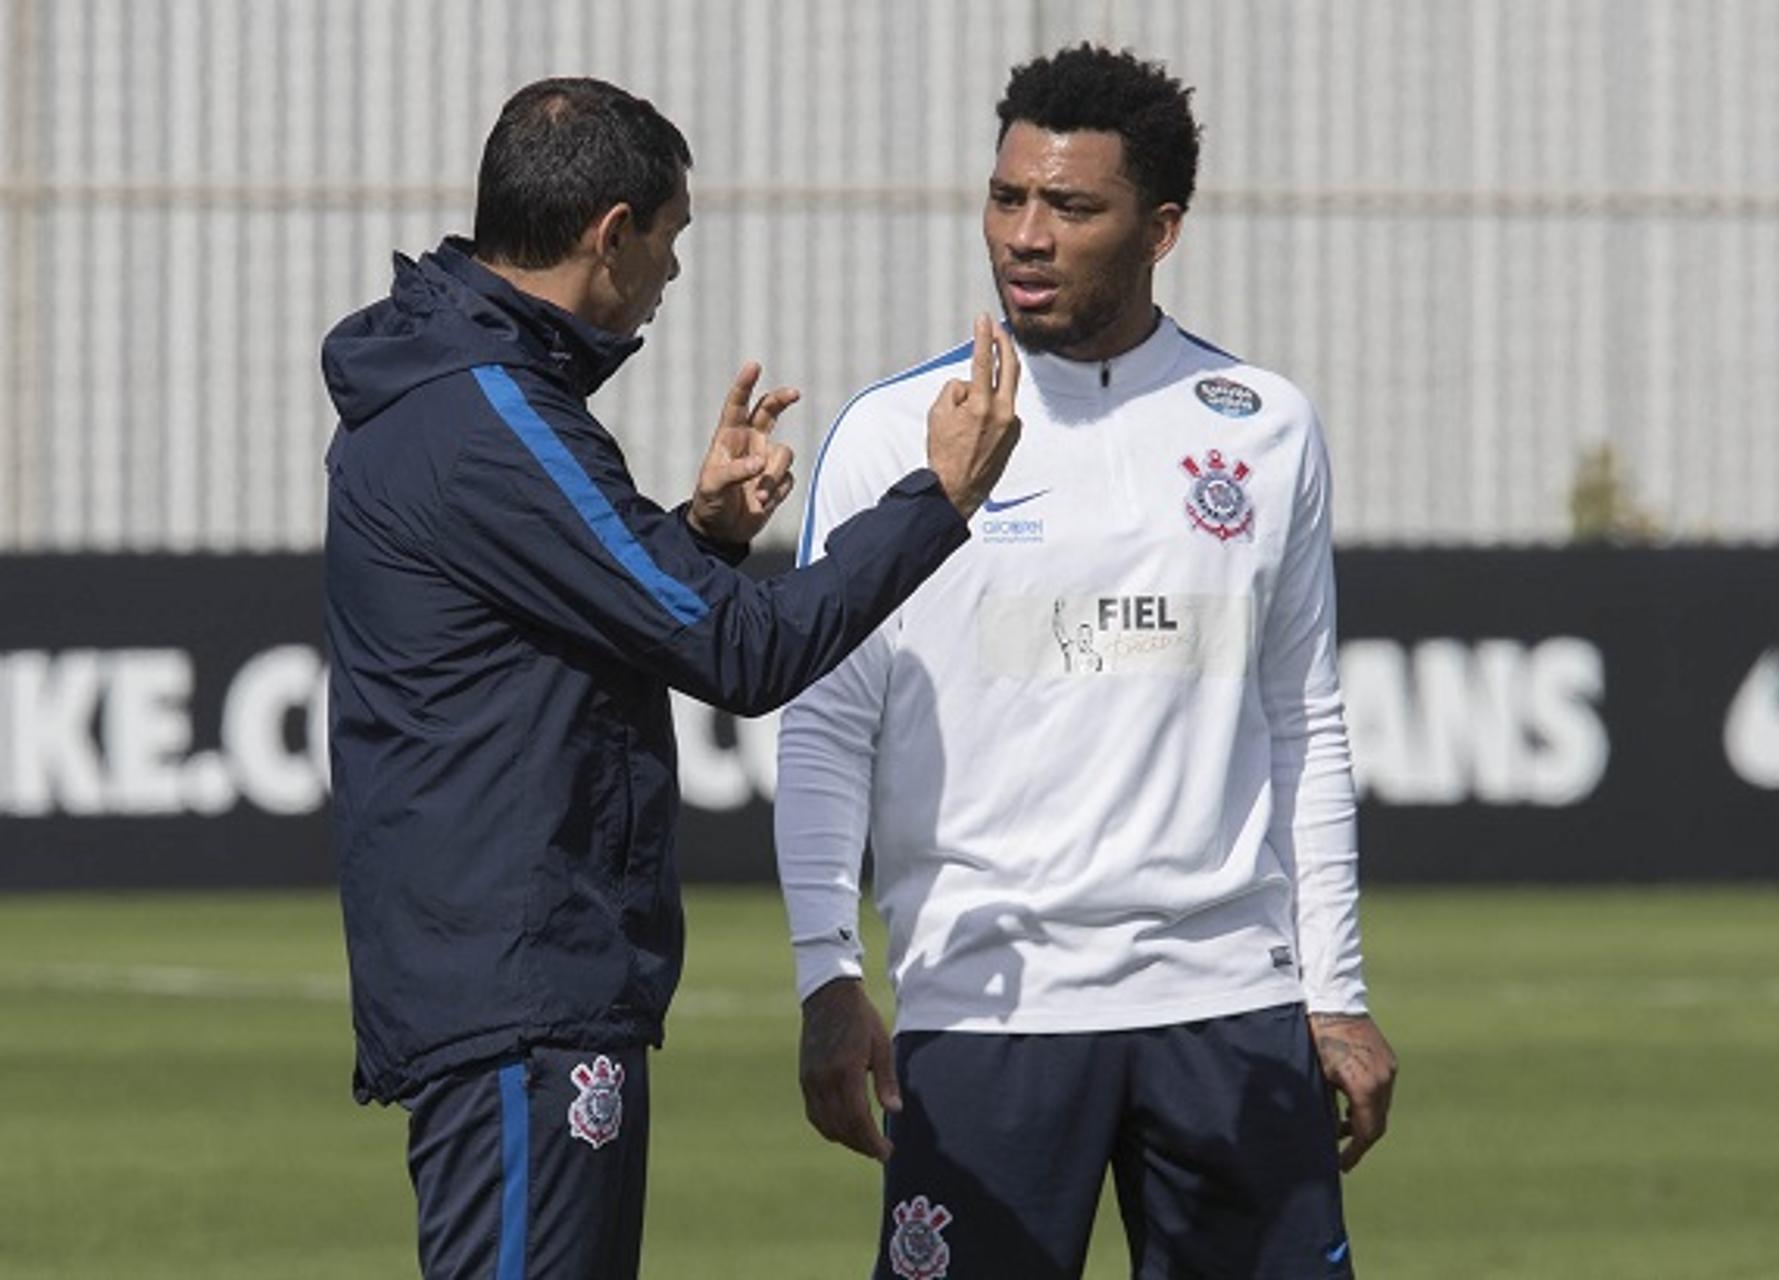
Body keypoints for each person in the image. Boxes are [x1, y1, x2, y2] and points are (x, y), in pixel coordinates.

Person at [322, 77, 1020, 1279]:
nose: (673, 273)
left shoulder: (452, 386)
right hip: (522, 997)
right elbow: (744, 653)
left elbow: (567, 640)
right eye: (673, 237)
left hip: (502, 984)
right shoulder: (491, 415)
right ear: (611, 231)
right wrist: (939, 498)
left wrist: (696, 531)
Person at [776, 45, 1396, 1279]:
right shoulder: (893, 431)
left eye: (1071, 206)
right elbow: (825, 723)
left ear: (1161, 228)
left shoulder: (1263, 423)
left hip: (1227, 1002)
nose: (1027, 235)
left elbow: (1303, 716)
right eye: (1008, 197)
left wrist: (1334, 987)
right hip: (986, 1010)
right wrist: (825, 973)